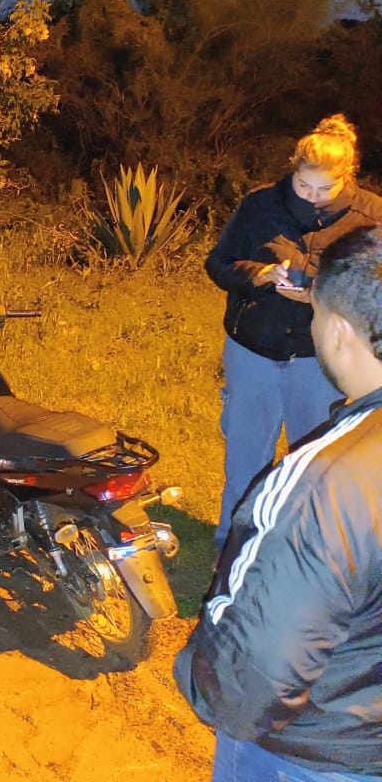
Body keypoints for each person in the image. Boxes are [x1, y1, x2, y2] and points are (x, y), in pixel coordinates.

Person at [176, 225, 382, 781]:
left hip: (315, 755)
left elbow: (251, 679)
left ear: (337, 331)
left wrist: (197, 677)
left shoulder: (322, 484)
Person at [204, 113, 382, 546]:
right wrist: (259, 274)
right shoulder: (260, 204)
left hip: (320, 359)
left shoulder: (372, 215)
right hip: (253, 349)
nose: (314, 198)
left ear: (347, 176)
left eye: (326, 189)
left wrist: (321, 296)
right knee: (246, 459)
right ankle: (233, 547)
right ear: (293, 169)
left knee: (312, 463)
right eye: (305, 186)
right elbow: (218, 263)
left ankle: (296, 551)